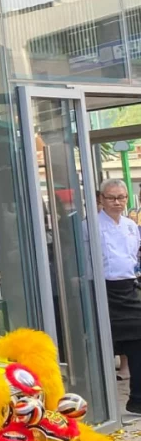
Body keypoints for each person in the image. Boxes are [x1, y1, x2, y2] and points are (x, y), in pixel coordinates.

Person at [98, 178, 141, 415]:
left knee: (138, 340)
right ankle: (101, 402)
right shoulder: (89, 225)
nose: (117, 202)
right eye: (112, 198)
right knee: (102, 342)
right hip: (102, 288)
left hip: (128, 288)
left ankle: (137, 399)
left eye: (121, 197)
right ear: (102, 199)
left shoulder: (130, 225)